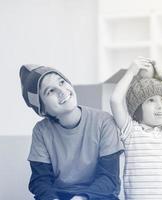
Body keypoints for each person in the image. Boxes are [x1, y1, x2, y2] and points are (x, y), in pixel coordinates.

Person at [19, 64, 124, 200]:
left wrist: (81, 198)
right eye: (50, 91)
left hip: (97, 197)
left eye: (62, 82)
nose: (62, 91)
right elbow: (40, 181)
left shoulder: (104, 121)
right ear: (42, 109)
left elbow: (109, 179)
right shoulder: (41, 131)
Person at [110, 57, 162, 199]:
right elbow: (115, 100)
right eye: (151, 100)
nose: (160, 105)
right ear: (137, 108)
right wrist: (131, 72)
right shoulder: (131, 131)